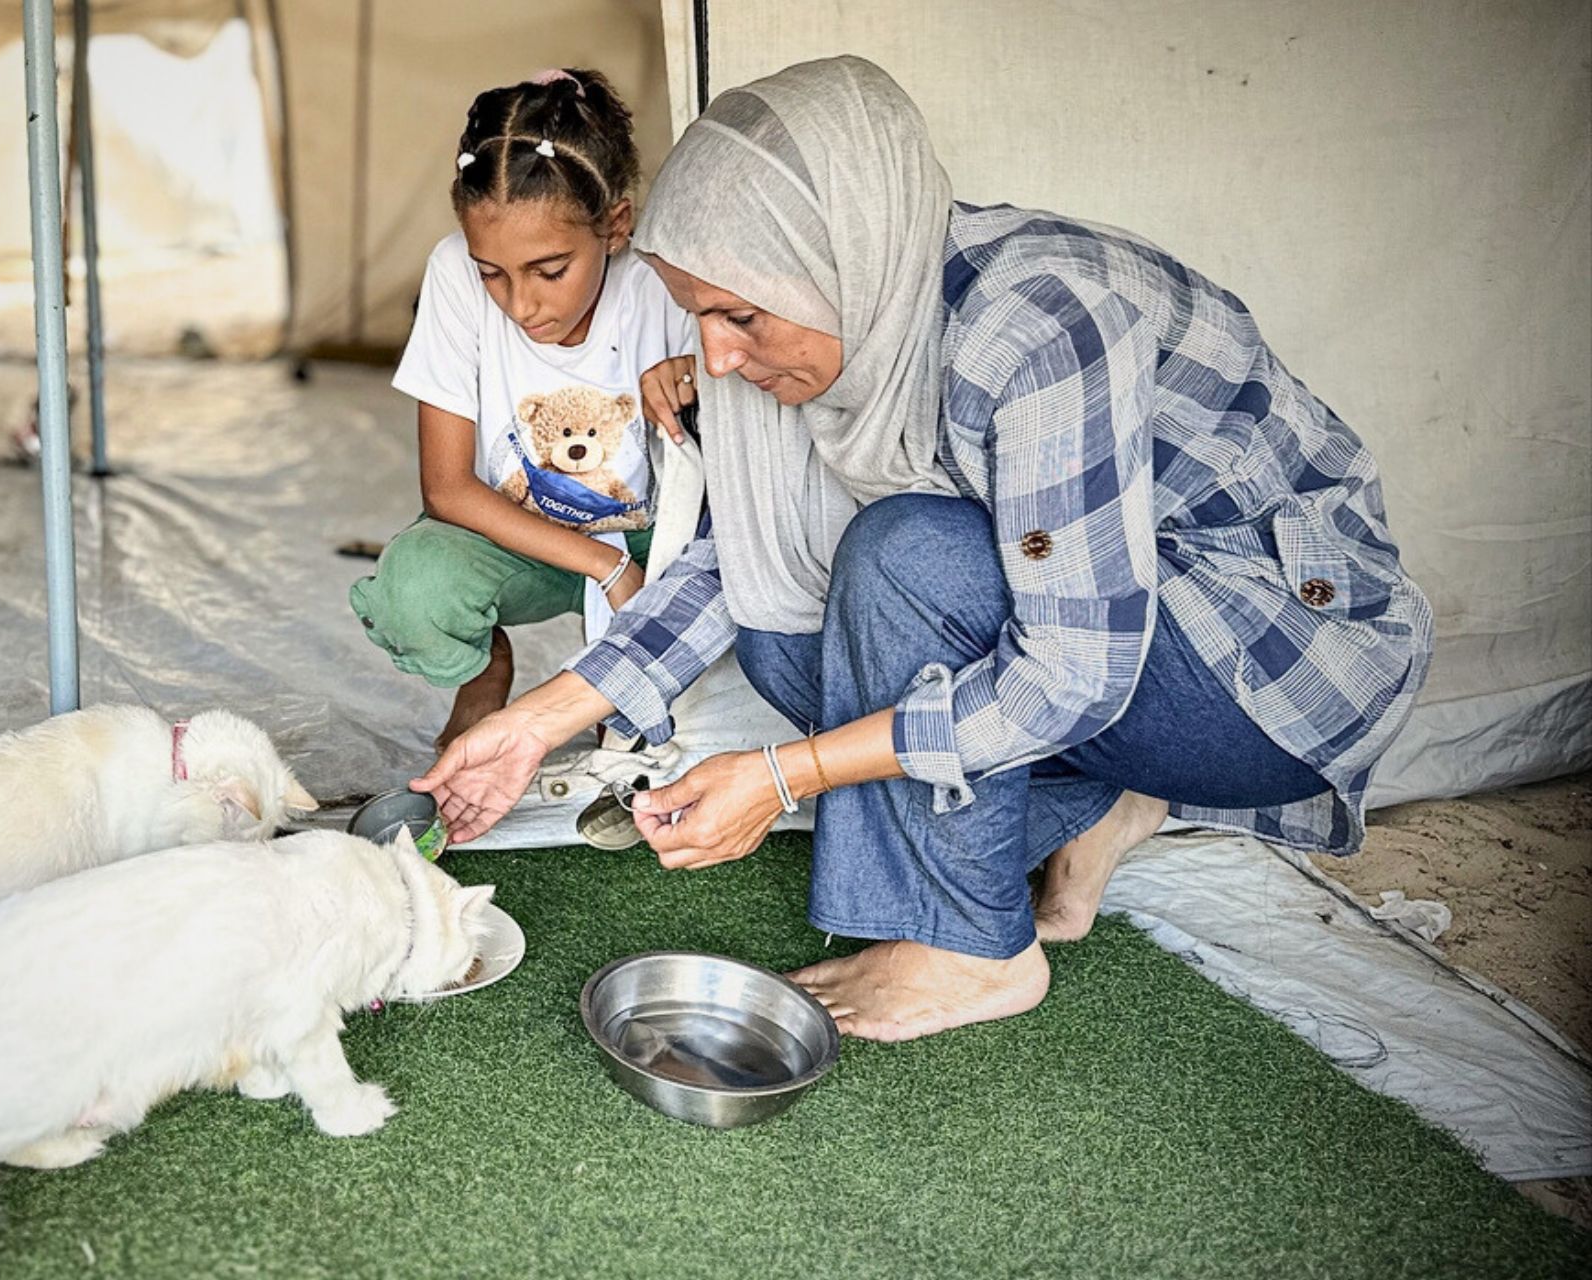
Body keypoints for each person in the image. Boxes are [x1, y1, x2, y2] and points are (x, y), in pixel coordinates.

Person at [414, 57, 1433, 1043]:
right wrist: (538, 722)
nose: (712, 356)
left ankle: (975, 948)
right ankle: (1096, 805)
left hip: (1270, 661)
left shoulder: (1036, 326)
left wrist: (784, 774)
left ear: (836, 252)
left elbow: (1072, 670)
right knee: (788, 634)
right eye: (696, 315)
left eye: (736, 316)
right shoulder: (831, 316)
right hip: (1127, 642)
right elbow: (736, 565)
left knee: (901, 557)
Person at [348, 69, 698, 748]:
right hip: (520, 541)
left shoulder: (665, 276)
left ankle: (615, 687)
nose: (520, 304)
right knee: (411, 593)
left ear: (616, 225)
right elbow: (446, 488)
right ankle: (484, 667)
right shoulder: (451, 271)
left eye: (549, 270)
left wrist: (694, 378)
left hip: (656, 544)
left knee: (669, 729)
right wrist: (603, 566)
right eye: (493, 274)